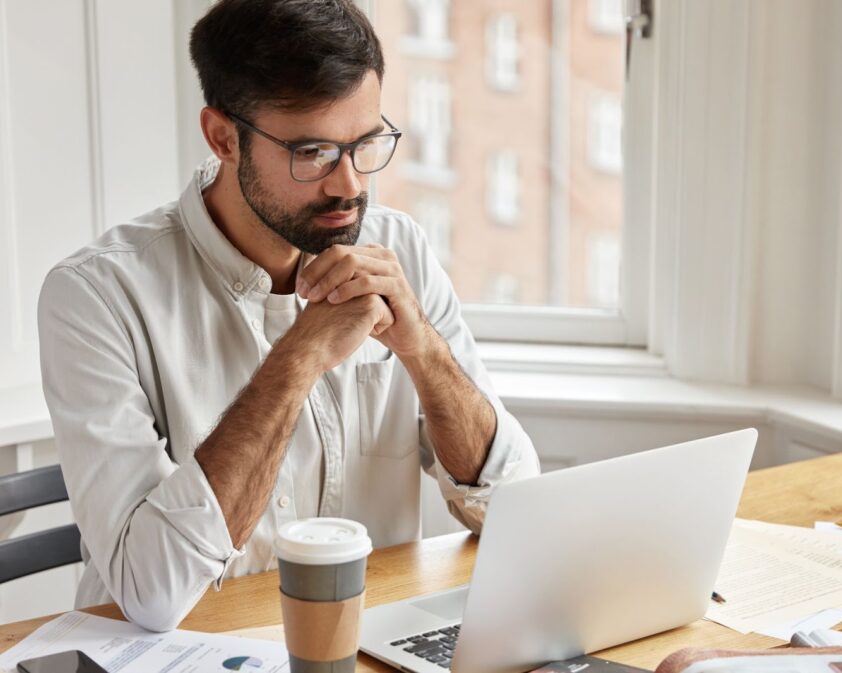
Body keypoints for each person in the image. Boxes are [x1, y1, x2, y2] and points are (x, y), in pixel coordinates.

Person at [37, 0, 539, 632]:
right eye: (314, 152)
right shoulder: (95, 297)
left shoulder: (398, 249)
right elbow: (152, 592)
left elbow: (514, 510)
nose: (349, 185)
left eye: (365, 144)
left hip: (366, 647)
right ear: (223, 137)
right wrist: (297, 360)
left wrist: (423, 350)